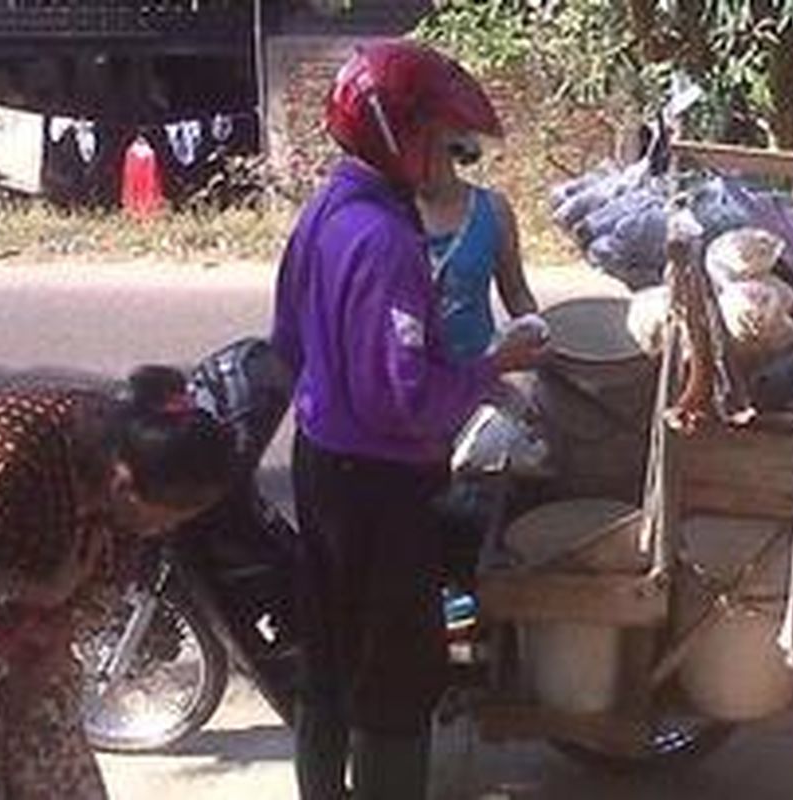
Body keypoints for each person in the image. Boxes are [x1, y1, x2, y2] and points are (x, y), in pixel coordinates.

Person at [270, 39, 546, 800]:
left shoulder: (326, 207)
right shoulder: (388, 241)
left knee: (326, 663)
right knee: (396, 683)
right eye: (434, 136)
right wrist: (491, 368)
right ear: (397, 135)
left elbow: (287, 338)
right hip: (381, 486)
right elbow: (407, 401)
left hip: (320, 461)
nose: (445, 153)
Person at [0, 366, 234, 799]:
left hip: (24, 652)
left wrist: (51, 643)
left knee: (56, 775)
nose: (156, 532)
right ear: (122, 483)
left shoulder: (128, 473)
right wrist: (40, 594)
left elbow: (99, 589)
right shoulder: (4, 454)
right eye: (157, 519)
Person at [415, 131, 538, 363]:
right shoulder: (389, 215)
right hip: (412, 381)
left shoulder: (493, 210)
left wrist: (534, 331)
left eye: (422, 150)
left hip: (478, 370)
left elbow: (516, 292)